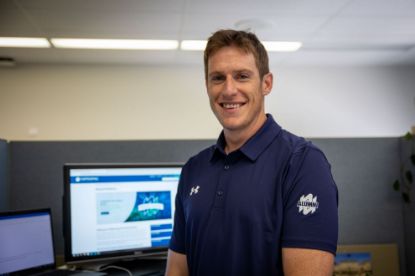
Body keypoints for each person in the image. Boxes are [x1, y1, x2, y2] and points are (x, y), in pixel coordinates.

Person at [165, 29, 338, 276]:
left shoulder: (303, 164)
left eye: (242, 76)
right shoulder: (193, 169)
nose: (229, 89)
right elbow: (177, 270)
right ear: (207, 86)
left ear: (266, 83)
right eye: (217, 78)